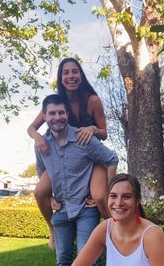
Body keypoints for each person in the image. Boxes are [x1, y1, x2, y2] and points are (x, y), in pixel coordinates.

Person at [27, 57, 110, 249]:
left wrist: (92, 129)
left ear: (81, 75)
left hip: (90, 153)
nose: (70, 76)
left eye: (75, 71)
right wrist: (37, 138)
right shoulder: (57, 103)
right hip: (62, 155)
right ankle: (52, 230)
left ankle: (115, 227)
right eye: (66, 72)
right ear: (61, 77)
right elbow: (31, 128)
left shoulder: (92, 100)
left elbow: (104, 133)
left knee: (98, 197)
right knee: (40, 192)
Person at [35, 94, 119, 266]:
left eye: (61, 112)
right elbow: (41, 170)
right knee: (62, 261)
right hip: (61, 210)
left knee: (86, 260)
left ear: (67, 114)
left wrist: (109, 192)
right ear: (44, 116)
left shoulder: (84, 138)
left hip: (85, 210)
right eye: (52, 113)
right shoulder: (41, 144)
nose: (57, 117)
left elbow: (111, 159)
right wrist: (50, 197)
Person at [71, 173, 164, 266]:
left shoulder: (152, 236)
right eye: (113, 196)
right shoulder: (105, 228)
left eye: (126, 196)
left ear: (137, 201)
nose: (118, 203)